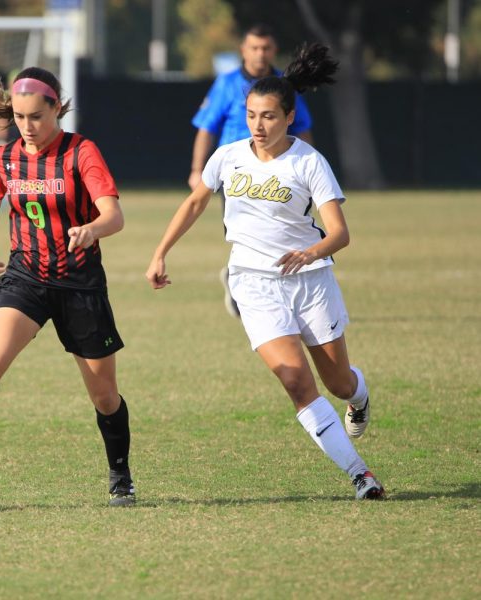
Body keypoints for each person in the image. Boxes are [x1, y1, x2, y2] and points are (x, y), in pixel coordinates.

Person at [147, 44, 385, 500]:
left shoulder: (309, 163)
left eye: (270, 116)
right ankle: (360, 475)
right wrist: (161, 253)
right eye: (252, 115)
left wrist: (310, 253)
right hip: (253, 283)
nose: (259, 125)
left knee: (337, 383)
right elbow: (196, 201)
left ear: (290, 117)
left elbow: (340, 233)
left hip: (312, 283)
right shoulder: (229, 156)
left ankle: (359, 396)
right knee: (296, 382)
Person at [0, 66, 136, 510]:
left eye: (37, 117)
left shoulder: (82, 153)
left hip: (80, 284)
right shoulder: (5, 157)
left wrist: (92, 230)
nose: (27, 126)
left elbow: (113, 215)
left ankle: (119, 472)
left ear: (57, 108)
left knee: (104, 396)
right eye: (20, 117)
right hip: (25, 278)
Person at [189, 24, 314, 318]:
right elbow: (207, 128)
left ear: (273, 51)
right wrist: (197, 169)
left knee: (281, 230)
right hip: (237, 174)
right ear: (243, 50)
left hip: (280, 171)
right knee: (243, 234)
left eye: (266, 48)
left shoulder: (285, 84)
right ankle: (240, 281)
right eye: (254, 48)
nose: (260, 54)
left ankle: (273, 290)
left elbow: (303, 128)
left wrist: (310, 167)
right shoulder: (227, 83)